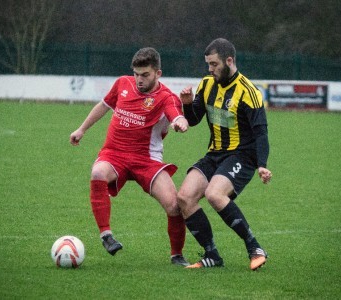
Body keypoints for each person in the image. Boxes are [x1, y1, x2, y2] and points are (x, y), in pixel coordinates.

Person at [70, 47, 190, 266]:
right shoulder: (122, 84)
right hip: (114, 154)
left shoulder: (166, 97)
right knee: (97, 172)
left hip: (147, 160)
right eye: (136, 74)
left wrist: (179, 122)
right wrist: (81, 129)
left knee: (174, 206)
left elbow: (175, 115)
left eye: (145, 75)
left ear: (158, 74)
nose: (139, 79)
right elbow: (103, 106)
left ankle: (177, 255)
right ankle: (106, 235)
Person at [177, 38, 272, 270]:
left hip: (242, 155)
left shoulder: (249, 92)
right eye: (208, 64)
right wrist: (187, 104)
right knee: (184, 197)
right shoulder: (207, 83)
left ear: (229, 61)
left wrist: (262, 164)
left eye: (214, 64)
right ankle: (212, 255)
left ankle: (255, 247)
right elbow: (194, 119)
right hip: (215, 154)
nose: (210, 69)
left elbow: (261, 132)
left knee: (214, 194)